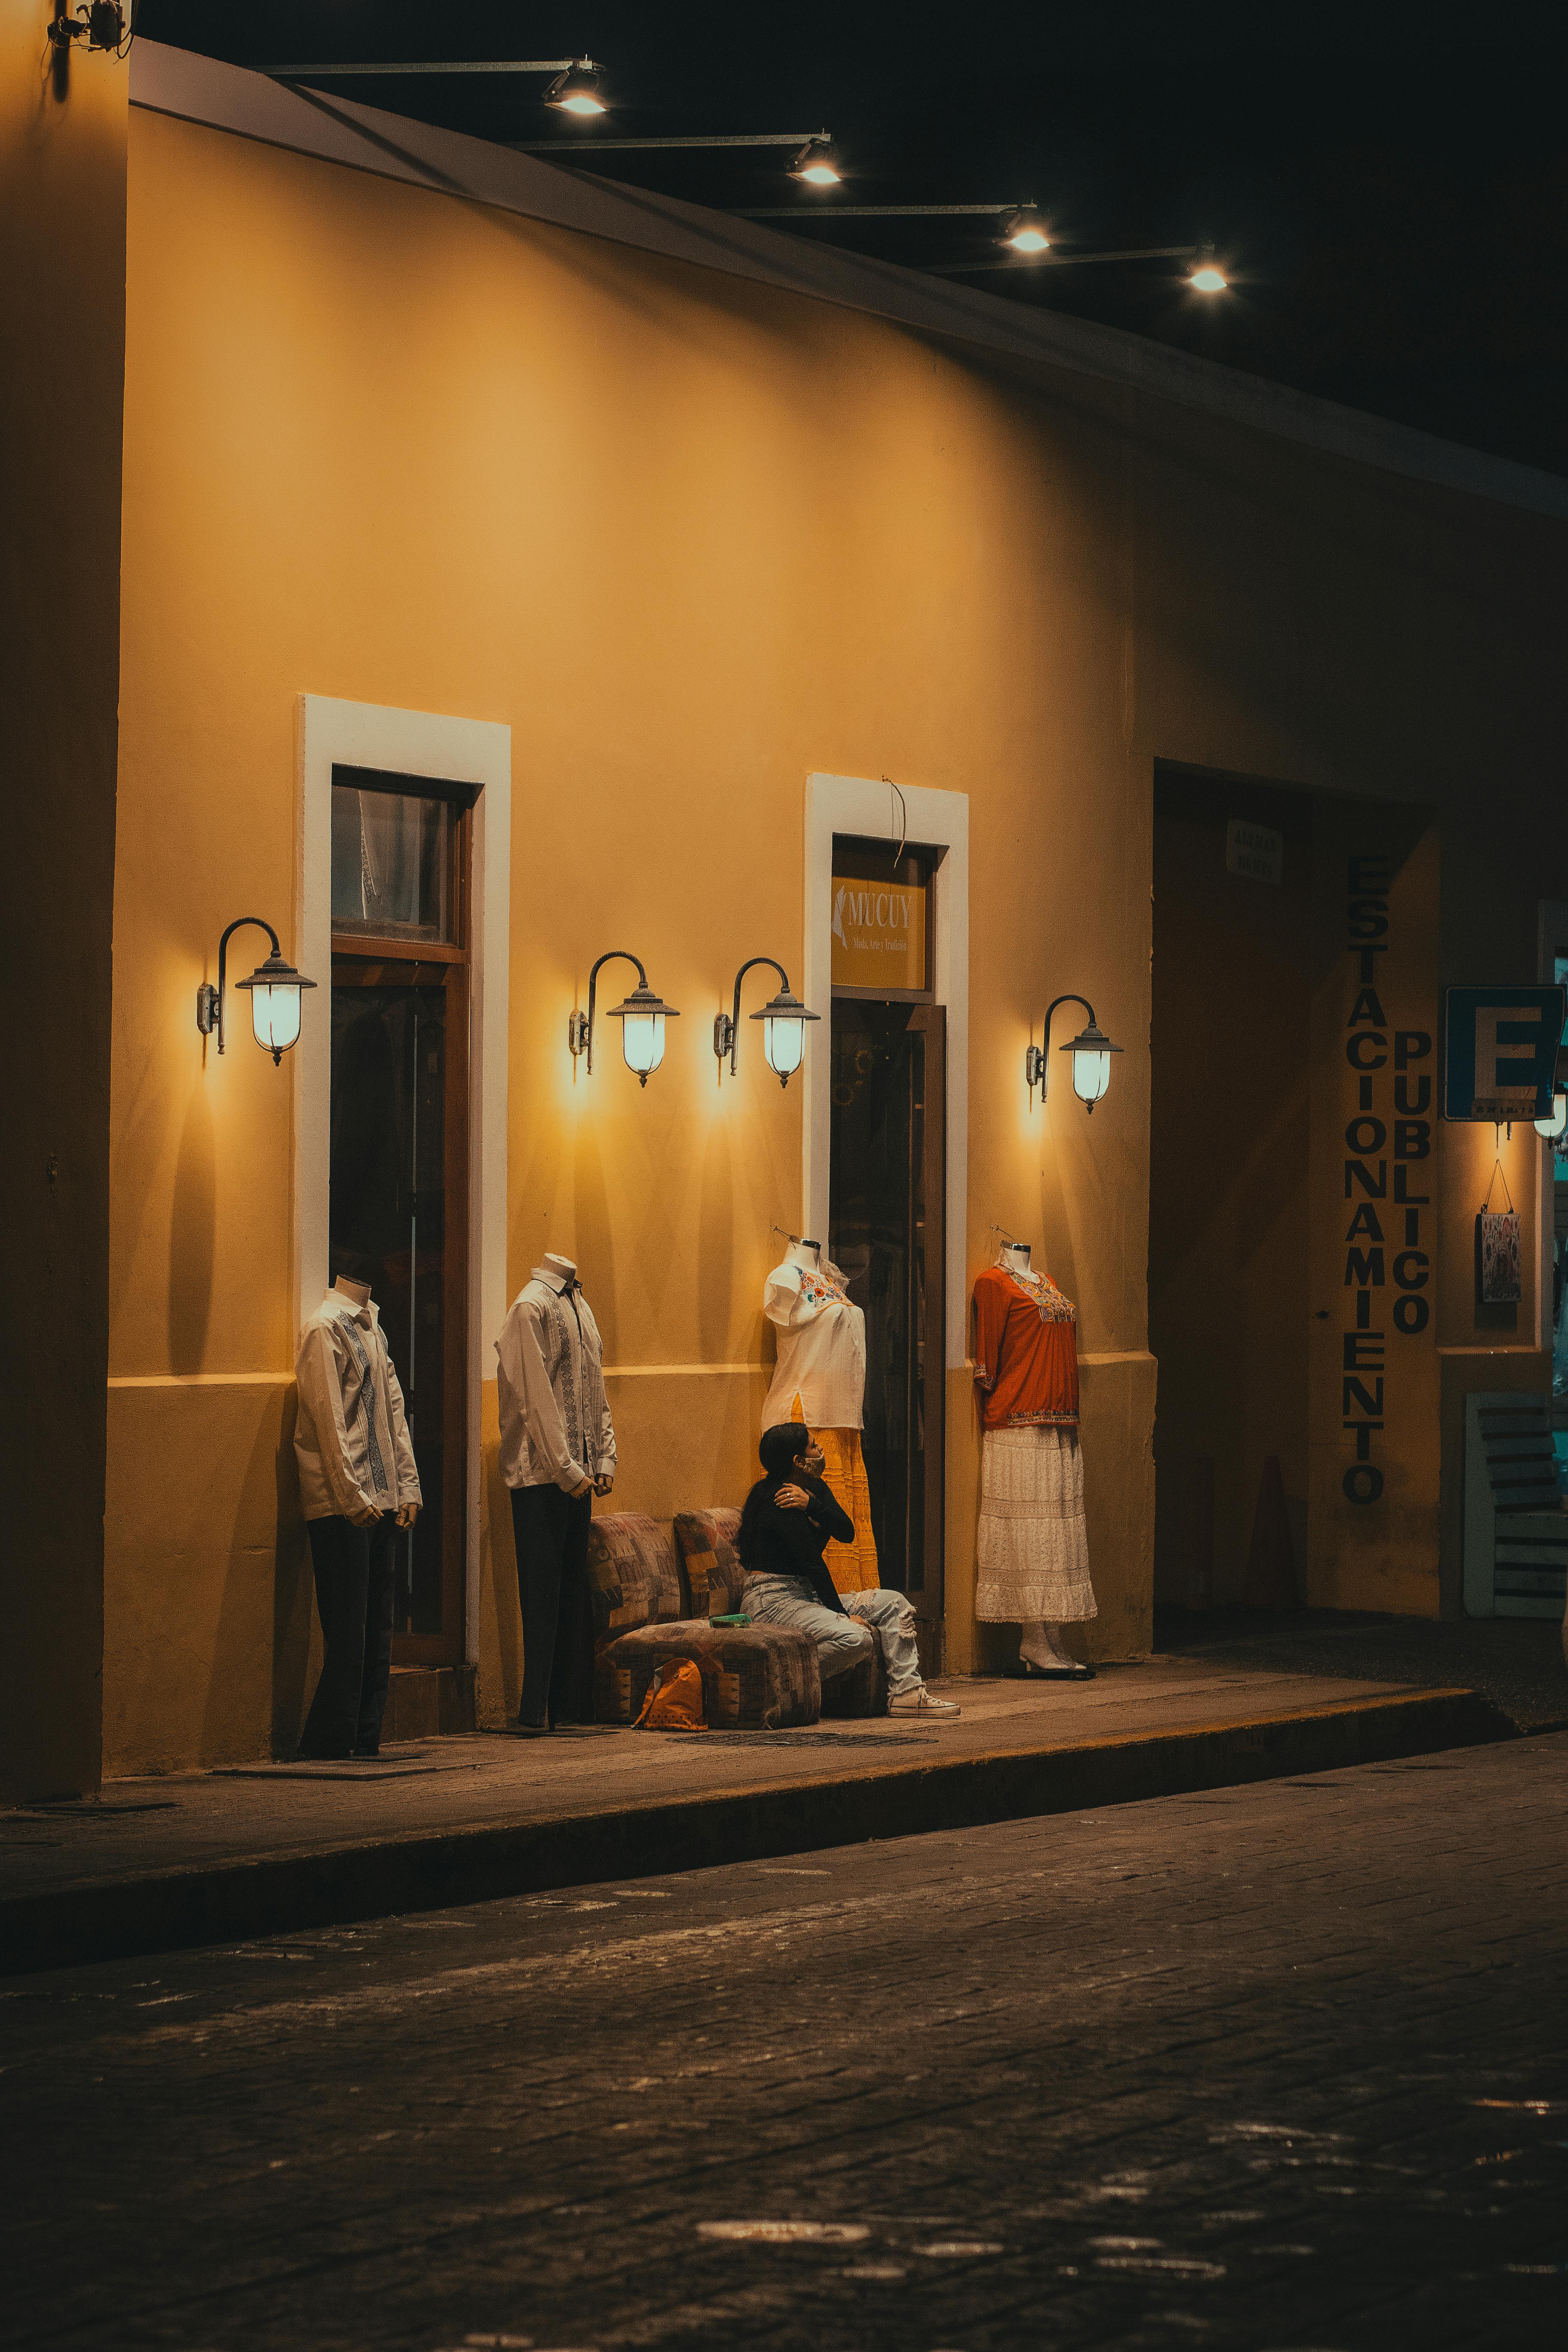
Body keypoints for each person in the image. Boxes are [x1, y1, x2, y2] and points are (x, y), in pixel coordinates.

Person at [738, 1424, 959, 1718]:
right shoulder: (777, 1499)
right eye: (814, 1447)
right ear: (798, 1461)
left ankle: (907, 1694)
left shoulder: (811, 1488)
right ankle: (774, 1683)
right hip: (773, 1600)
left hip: (805, 1595)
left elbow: (846, 1531)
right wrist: (841, 1615)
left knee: (895, 1603)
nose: (821, 1451)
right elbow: (812, 1564)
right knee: (855, 1638)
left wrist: (813, 1505)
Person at [293, 1274, 421, 1759]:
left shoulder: (373, 1327)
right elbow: (328, 1420)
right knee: (347, 1629)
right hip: (341, 1503)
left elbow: (393, 1411)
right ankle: (330, 1740)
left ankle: (366, 1734)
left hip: (381, 1499)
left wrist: (407, 1486)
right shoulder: (324, 1329)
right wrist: (352, 1495)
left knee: (378, 1629)